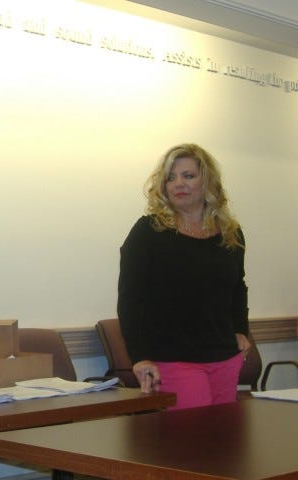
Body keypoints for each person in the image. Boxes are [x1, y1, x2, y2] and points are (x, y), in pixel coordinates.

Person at [117, 143, 250, 410]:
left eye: (188, 176)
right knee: (193, 445)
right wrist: (139, 357)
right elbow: (130, 298)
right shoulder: (148, 232)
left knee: (225, 446)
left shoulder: (230, 233)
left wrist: (240, 329)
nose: (178, 183)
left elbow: (237, 287)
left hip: (224, 356)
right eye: (171, 177)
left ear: (208, 181)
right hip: (173, 358)